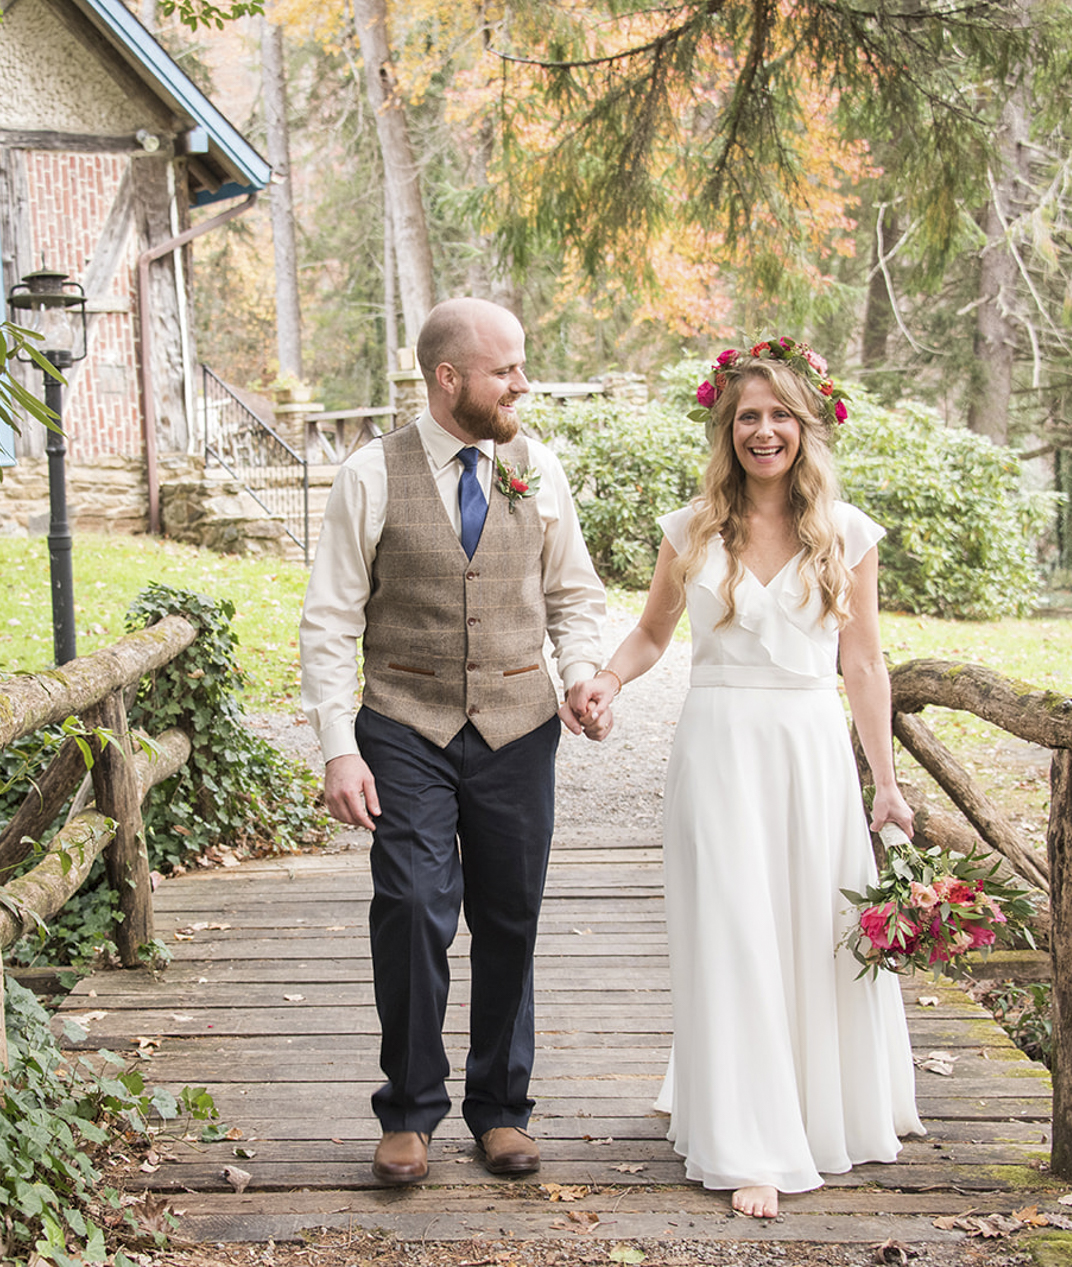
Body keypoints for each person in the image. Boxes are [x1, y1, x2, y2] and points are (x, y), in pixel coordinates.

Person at [567, 339, 924, 1218]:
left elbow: (865, 665)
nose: (764, 432)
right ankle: (751, 1139)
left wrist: (885, 782)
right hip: (719, 745)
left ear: (808, 427)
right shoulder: (690, 529)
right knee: (731, 929)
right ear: (727, 430)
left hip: (808, 750)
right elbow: (652, 632)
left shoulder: (846, 533)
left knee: (810, 926)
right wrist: (608, 678)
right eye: (747, 417)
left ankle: (817, 1105)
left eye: (779, 416)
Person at [299, 297, 611, 1186]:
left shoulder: (536, 465)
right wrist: (337, 746)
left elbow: (574, 596)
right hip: (405, 724)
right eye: (505, 369)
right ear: (448, 379)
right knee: (411, 906)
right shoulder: (369, 474)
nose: (522, 383)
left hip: (519, 725)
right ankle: (408, 1110)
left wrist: (583, 669)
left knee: (509, 914)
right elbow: (328, 621)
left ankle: (502, 1108)